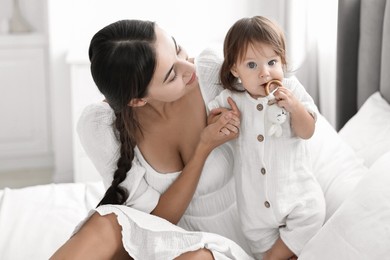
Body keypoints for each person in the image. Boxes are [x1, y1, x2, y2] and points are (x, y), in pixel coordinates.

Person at [51, 19, 254, 259]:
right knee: (107, 221)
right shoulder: (101, 125)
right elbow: (156, 221)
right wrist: (203, 148)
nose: (189, 67)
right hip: (171, 238)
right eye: (171, 75)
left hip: (236, 242)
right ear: (137, 100)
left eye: (177, 48)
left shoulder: (213, 73)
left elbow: (289, 141)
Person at [208, 16, 325, 260]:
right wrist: (223, 120)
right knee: (261, 243)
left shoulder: (291, 90)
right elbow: (211, 123)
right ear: (234, 70)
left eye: (272, 62)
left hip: (298, 202)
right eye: (252, 65)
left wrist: (294, 107)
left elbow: (308, 131)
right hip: (255, 214)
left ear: (282, 61)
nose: (264, 73)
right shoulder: (233, 99)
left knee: (311, 217)